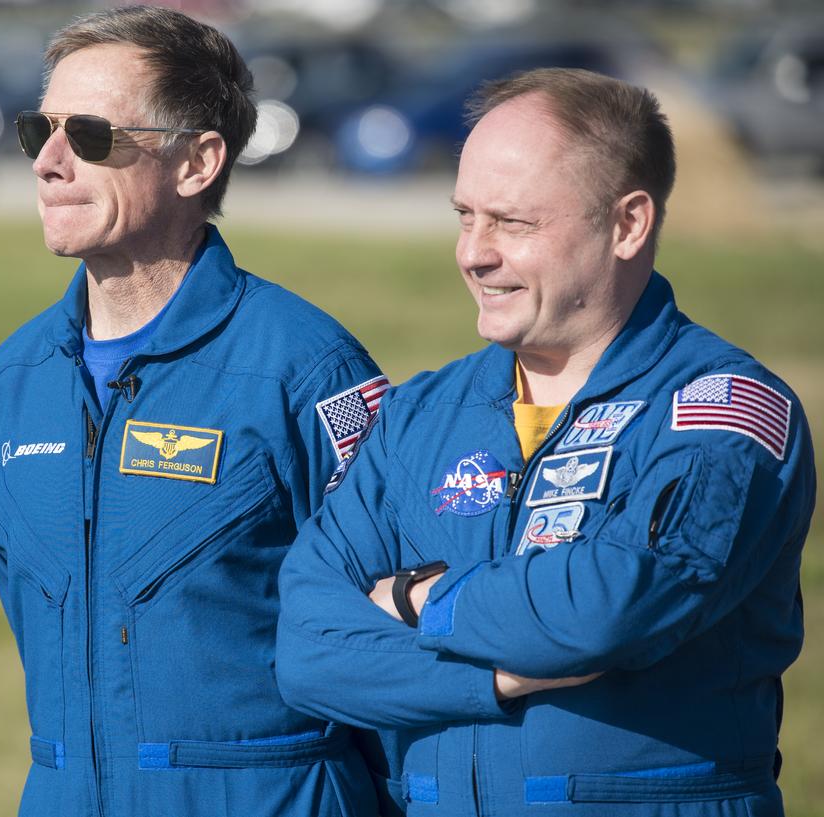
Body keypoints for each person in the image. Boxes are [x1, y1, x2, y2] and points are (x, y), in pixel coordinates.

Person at [276, 66, 816, 816]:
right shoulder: (424, 413)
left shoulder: (720, 411)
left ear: (628, 223)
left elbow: (605, 609)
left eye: (513, 222)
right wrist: (493, 677)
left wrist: (416, 598)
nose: (474, 252)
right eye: (465, 216)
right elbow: (306, 649)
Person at [0, 6, 391, 816]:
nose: (48, 162)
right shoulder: (9, 387)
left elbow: (391, 647)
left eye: (88, 134)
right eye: (37, 130)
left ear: (196, 162)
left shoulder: (306, 370)